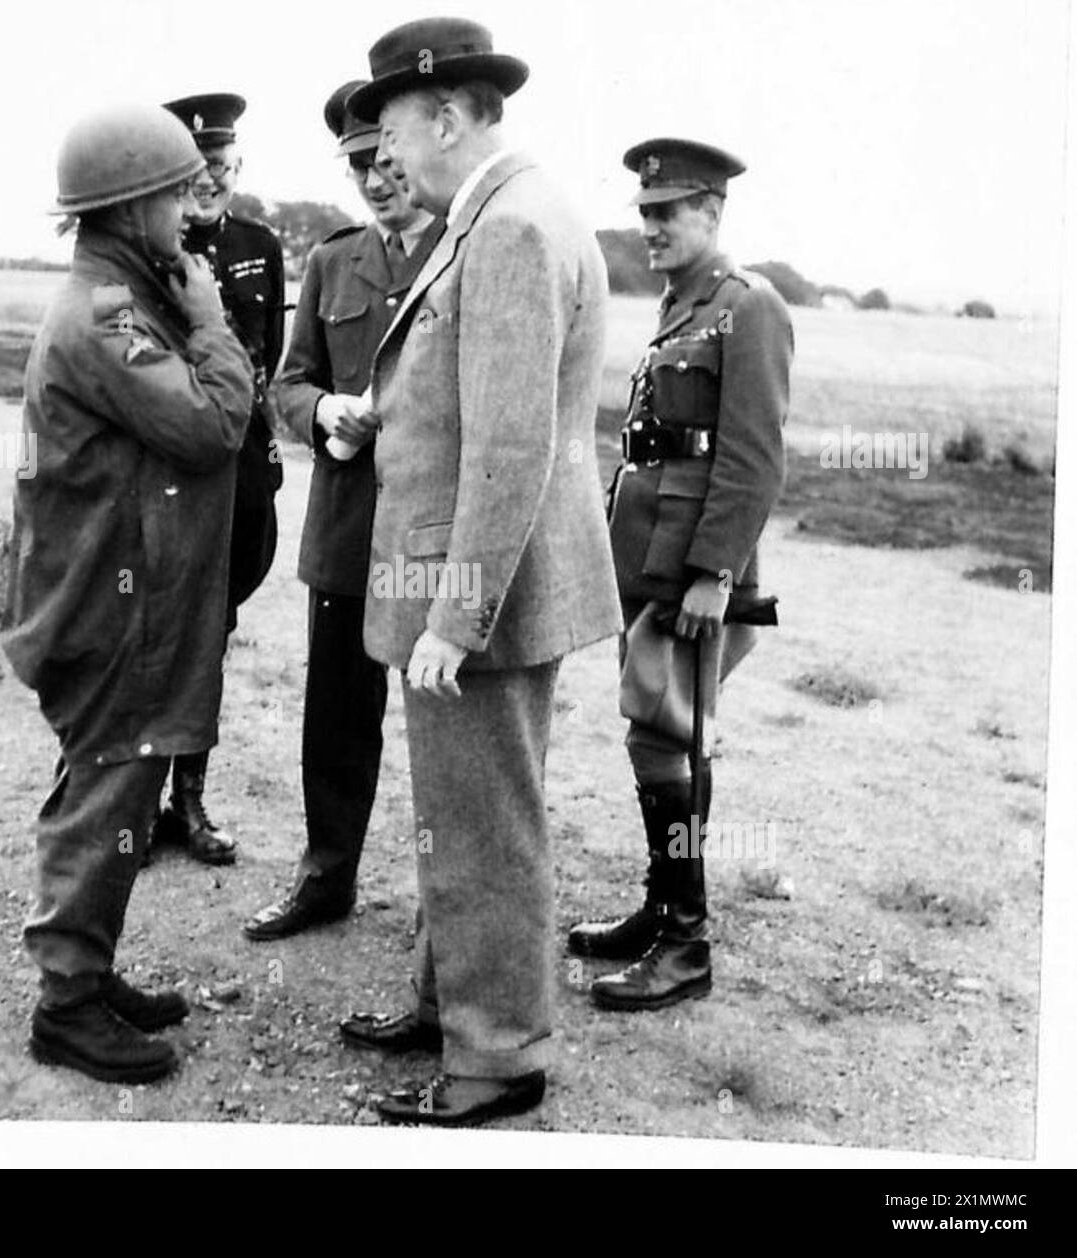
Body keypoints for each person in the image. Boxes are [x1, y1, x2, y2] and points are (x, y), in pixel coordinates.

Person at [335, 18, 621, 1126]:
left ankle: (498, 1055)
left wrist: (455, 616)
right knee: (457, 810)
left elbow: (510, 447)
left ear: (446, 115)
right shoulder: (504, 212)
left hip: (476, 599)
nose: (384, 152)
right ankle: (449, 999)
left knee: (484, 824)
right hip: (469, 586)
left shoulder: (508, 228)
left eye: (394, 127)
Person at [1, 102, 254, 1082]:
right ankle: (65, 1003)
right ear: (131, 204)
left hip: (119, 591)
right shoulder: (110, 314)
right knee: (109, 775)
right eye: (175, 193)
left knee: (119, 773)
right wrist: (211, 318)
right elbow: (211, 424)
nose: (190, 210)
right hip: (108, 605)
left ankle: (86, 972)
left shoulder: (124, 295)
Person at [567, 138, 792, 1012]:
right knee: (656, 731)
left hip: (694, 569)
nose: (651, 226)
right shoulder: (682, 304)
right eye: (645, 212)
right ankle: (662, 909)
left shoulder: (749, 306)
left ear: (713, 212)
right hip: (651, 554)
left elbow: (753, 455)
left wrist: (715, 574)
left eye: (668, 211)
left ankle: (686, 943)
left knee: (672, 734)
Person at [243, 80, 444, 942]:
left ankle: (453, 913)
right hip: (348, 532)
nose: (375, 177)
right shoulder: (331, 262)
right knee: (334, 718)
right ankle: (327, 879)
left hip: (438, 540)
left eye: (385, 160)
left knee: (450, 729)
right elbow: (288, 383)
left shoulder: (466, 251)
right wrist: (324, 413)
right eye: (359, 163)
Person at [145, 92, 286, 867]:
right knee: (158, 631)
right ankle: (138, 804)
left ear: (238, 166)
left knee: (215, 630)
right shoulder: (147, 252)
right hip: (171, 467)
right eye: (197, 170)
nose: (211, 183)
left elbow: (270, 363)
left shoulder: (263, 245)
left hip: (240, 470)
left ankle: (188, 801)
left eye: (223, 167)